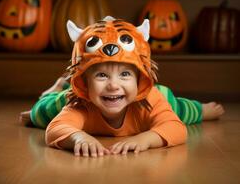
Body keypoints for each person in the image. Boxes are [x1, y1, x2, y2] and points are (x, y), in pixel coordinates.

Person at [19, 16, 224, 157]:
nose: (113, 85)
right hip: (73, 96)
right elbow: (55, 130)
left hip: (149, 100)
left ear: (140, 78)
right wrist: (78, 137)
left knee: (178, 109)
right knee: (42, 114)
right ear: (84, 82)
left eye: (125, 74)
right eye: (101, 75)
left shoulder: (150, 99)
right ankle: (58, 87)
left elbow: (176, 129)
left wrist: (147, 139)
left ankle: (200, 109)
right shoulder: (80, 102)